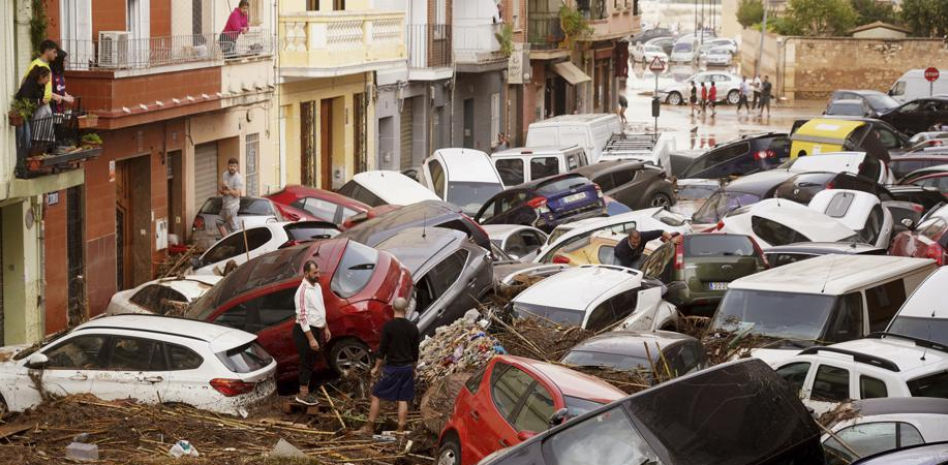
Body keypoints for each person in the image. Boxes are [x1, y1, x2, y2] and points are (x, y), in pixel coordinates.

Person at [359, 297, 420, 435]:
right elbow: (415, 352)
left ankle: (369, 427)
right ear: (406, 309)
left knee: (376, 395)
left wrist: (376, 367)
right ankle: (400, 429)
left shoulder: (388, 327)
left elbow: (382, 350)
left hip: (392, 369)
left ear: (393, 308)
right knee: (403, 399)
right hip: (406, 369)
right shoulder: (413, 328)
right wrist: (414, 369)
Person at [293, 260, 332, 406]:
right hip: (305, 331)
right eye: (315, 273)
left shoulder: (317, 287)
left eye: (318, 272)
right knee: (306, 361)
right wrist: (311, 339)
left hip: (317, 328)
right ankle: (302, 394)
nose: (318, 275)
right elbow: (302, 317)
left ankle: (307, 389)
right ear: (306, 273)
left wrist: (325, 326)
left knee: (314, 359)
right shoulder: (302, 292)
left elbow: (320, 309)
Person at [614, 229, 680, 269]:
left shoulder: (644, 236)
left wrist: (671, 239)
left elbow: (661, 232)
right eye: (634, 242)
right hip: (620, 258)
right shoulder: (622, 249)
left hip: (635, 256)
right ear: (629, 239)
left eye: (638, 242)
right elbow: (626, 267)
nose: (636, 244)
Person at [218, 158, 243, 236]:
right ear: (228, 166)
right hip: (225, 205)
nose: (232, 168)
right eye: (231, 166)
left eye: (234, 166)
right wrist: (222, 191)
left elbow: (237, 194)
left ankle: (238, 242)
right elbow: (222, 190)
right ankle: (226, 240)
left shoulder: (238, 178)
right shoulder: (225, 174)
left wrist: (228, 190)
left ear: (237, 167)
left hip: (232, 206)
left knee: (233, 227)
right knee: (218, 222)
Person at [49, 48, 74, 114]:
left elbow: (60, 88)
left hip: (60, 109)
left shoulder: (60, 73)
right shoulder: (50, 74)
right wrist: (64, 98)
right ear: (59, 61)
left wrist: (67, 95)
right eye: (64, 60)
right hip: (52, 109)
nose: (65, 62)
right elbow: (48, 92)